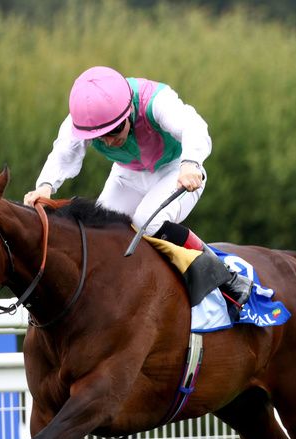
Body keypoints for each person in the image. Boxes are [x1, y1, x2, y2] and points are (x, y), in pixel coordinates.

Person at [23, 66, 251, 318]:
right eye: (100, 136)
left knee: (147, 222)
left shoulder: (156, 101)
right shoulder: (83, 120)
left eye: (114, 131)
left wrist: (191, 163)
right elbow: (64, 153)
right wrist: (44, 186)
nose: (108, 141)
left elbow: (194, 126)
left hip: (176, 169)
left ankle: (226, 278)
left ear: (129, 111)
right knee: (99, 233)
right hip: (127, 174)